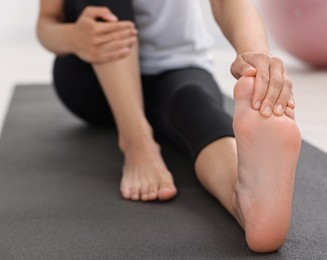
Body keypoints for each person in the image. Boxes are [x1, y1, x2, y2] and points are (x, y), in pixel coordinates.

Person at [36, 0, 301, 253]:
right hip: (89, 78)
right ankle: (136, 141)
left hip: (177, 67)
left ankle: (245, 199)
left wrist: (255, 58)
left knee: (195, 107)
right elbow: (46, 24)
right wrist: (74, 37)